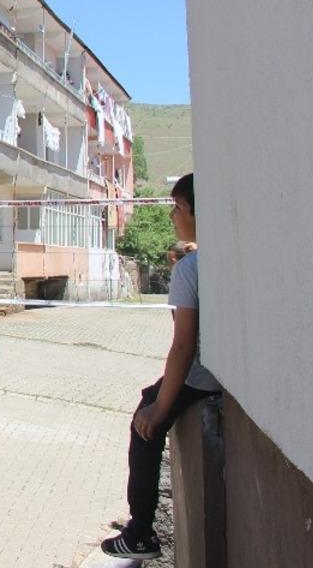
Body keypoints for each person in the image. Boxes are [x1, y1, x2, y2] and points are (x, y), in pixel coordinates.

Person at [102, 174, 221, 561]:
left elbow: (184, 345)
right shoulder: (215, 258)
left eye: (178, 208)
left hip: (203, 377)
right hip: (221, 375)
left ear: (197, 214)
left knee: (145, 421)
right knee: (150, 397)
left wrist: (162, 408)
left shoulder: (189, 270)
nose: (172, 216)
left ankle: (140, 531)